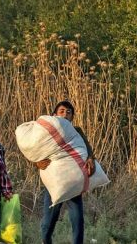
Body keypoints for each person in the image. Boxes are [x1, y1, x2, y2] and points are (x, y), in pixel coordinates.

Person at [36, 101, 95, 244]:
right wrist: (37, 161)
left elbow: (87, 149)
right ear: (54, 115)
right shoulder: (48, 133)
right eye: (61, 111)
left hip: (73, 182)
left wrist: (91, 159)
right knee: (48, 222)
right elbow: (35, 150)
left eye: (69, 112)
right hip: (54, 183)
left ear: (72, 117)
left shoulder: (77, 131)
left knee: (77, 220)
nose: (65, 114)